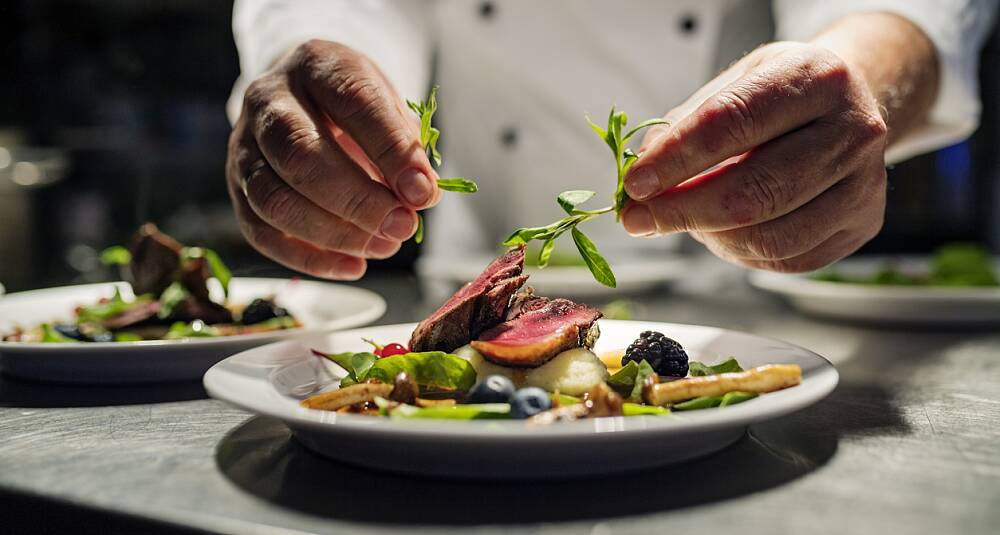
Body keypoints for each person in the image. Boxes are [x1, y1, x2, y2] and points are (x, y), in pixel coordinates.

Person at [225, 0, 996, 280]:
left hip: (734, 296)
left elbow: (902, 9)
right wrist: (319, 90)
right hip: (467, 275)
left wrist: (856, 72)